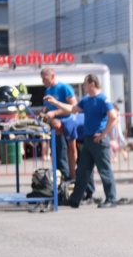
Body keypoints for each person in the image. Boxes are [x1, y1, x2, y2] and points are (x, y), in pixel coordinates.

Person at [44, 74, 119, 208]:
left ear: (92, 84)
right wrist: (56, 103)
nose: (83, 86)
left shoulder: (102, 99)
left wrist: (103, 134)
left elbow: (113, 117)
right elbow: (72, 109)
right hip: (88, 139)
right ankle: (75, 199)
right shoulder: (86, 100)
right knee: (83, 170)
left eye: (84, 84)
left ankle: (111, 199)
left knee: (104, 170)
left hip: (98, 141)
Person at [40, 66, 77, 177]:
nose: (43, 82)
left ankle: (67, 175)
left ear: (52, 76)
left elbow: (73, 106)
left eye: (45, 79)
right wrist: (43, 113)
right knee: (55, 153)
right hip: (54, 126)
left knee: (64, 153)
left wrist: (55, 113)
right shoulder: (48, 90)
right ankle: (58, 175)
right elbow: (47, 107)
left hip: (66, 123)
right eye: (42, 79)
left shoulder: (64, 88)